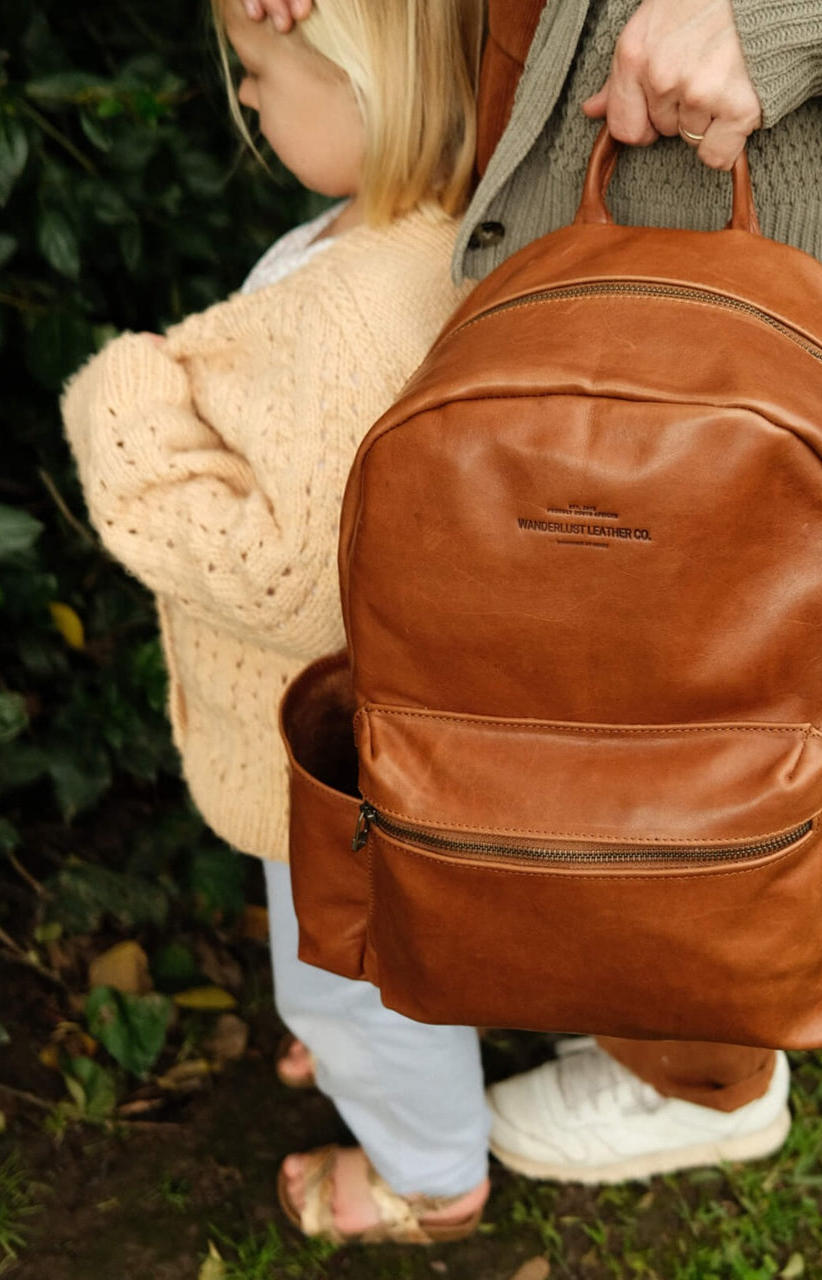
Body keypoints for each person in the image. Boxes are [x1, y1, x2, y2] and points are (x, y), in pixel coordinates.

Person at [246, 0, 822, 1188]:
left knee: (722, 704)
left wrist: (800, 22)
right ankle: (518, 929)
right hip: (533, 108)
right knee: (508, 659)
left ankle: (695, 1077)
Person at [61, 0, 493, 1245]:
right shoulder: (420, 237)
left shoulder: (348, 310)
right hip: (386, 724)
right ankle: (354, 1039)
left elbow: (287, 576)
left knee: (359, 967)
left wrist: (125, 404)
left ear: (362, 85)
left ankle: (428, 1170)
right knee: (367, 938)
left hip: (331, 745)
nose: (243, 96)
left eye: (256, 72)